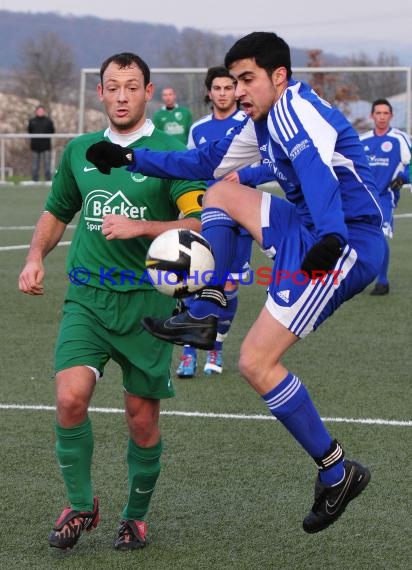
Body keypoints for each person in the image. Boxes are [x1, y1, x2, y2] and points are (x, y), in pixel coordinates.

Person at [86, 32, 386, 535]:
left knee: (254, 361)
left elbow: (316, 171)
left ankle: (336, 471)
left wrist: (330, 237)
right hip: (313, 228)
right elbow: (205, 165)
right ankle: (205, 312)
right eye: (234, 80)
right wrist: (132, 158)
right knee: (219, 193)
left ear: (279, 76)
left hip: (345, 242)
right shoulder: (262, 119)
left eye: (247, 79)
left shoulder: (296, 111)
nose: (239, 90)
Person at [18, 52, 206, 551]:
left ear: (148, 91)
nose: (121, 95)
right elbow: (56, 212)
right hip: (88, 298)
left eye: (131, 86)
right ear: (100, 92)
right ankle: (80, 506)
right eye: (113, 86)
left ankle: (135, 516)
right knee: (68, 398)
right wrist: (36, 256)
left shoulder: (171, 152)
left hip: (147, 304)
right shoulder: (81, 149)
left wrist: (142, 227)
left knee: (142, 420)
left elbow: (198, 223)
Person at [177, 66, 274, 378]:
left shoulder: (251, 123)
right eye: (216, 88)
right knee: (194, 284)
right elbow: (189, 169)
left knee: (228, 287)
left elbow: (268, 166)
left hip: (240, 220)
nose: (222, 93)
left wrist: (244, 176)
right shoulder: (198, 128)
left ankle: (216, 347)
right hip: (204, 219)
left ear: (236, 91)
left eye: (227, 87)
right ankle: (189, 352)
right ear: (209, 92)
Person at [359, 98, 411, 296]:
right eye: (378, 113)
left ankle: (382, 281)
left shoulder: (400, 139)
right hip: (362, 197)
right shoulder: (362, 140)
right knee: (357, 235)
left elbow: (411, 163)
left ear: (391, 116)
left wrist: (403, 178)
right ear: (372, 116)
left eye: (385, 113)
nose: (381, 117)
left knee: (379, 236)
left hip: (385, 196)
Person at [27, 104, 55, 182]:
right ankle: (35, 180)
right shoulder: (32, 121)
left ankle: (48, 179)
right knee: (35, 165)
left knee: (47, 164)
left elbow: (52, 131)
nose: (40, 112)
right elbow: (29, 131)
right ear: (36, 112)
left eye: (42, 111)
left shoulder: (48, 121)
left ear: (44, 112)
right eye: (39, 111)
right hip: (35, 146)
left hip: (46, 146)